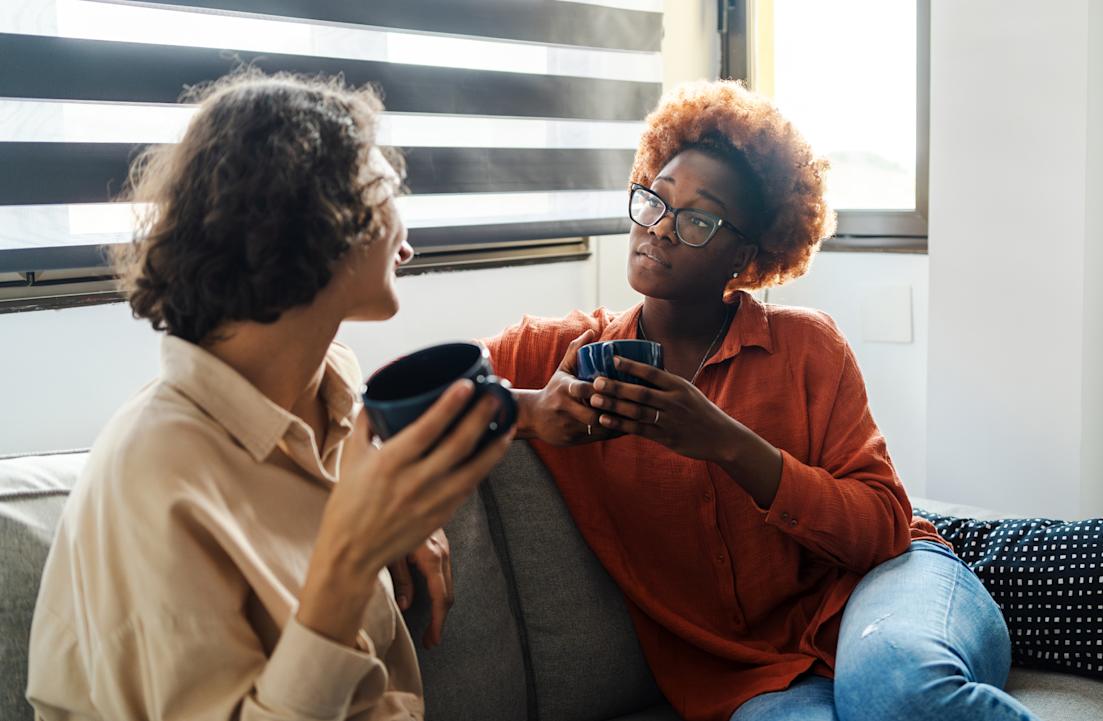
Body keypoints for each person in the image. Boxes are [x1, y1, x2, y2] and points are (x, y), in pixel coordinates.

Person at [485, 81, 1040, 721]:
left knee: (893, 692)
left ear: (744, 256)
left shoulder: (806, 346)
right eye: (654, 201)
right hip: (748, 679)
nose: (660, 230)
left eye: (697, 219)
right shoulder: (564, 352)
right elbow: (404, 389)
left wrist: (728, 443)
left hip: (887, 593)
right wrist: (530, 413)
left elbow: (883, 529)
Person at [26, 71, 513, 721]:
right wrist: (350, 560)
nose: (405, 224)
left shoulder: (328, 389)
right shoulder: (152, 474)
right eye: (387, 188)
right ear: (319, 218)